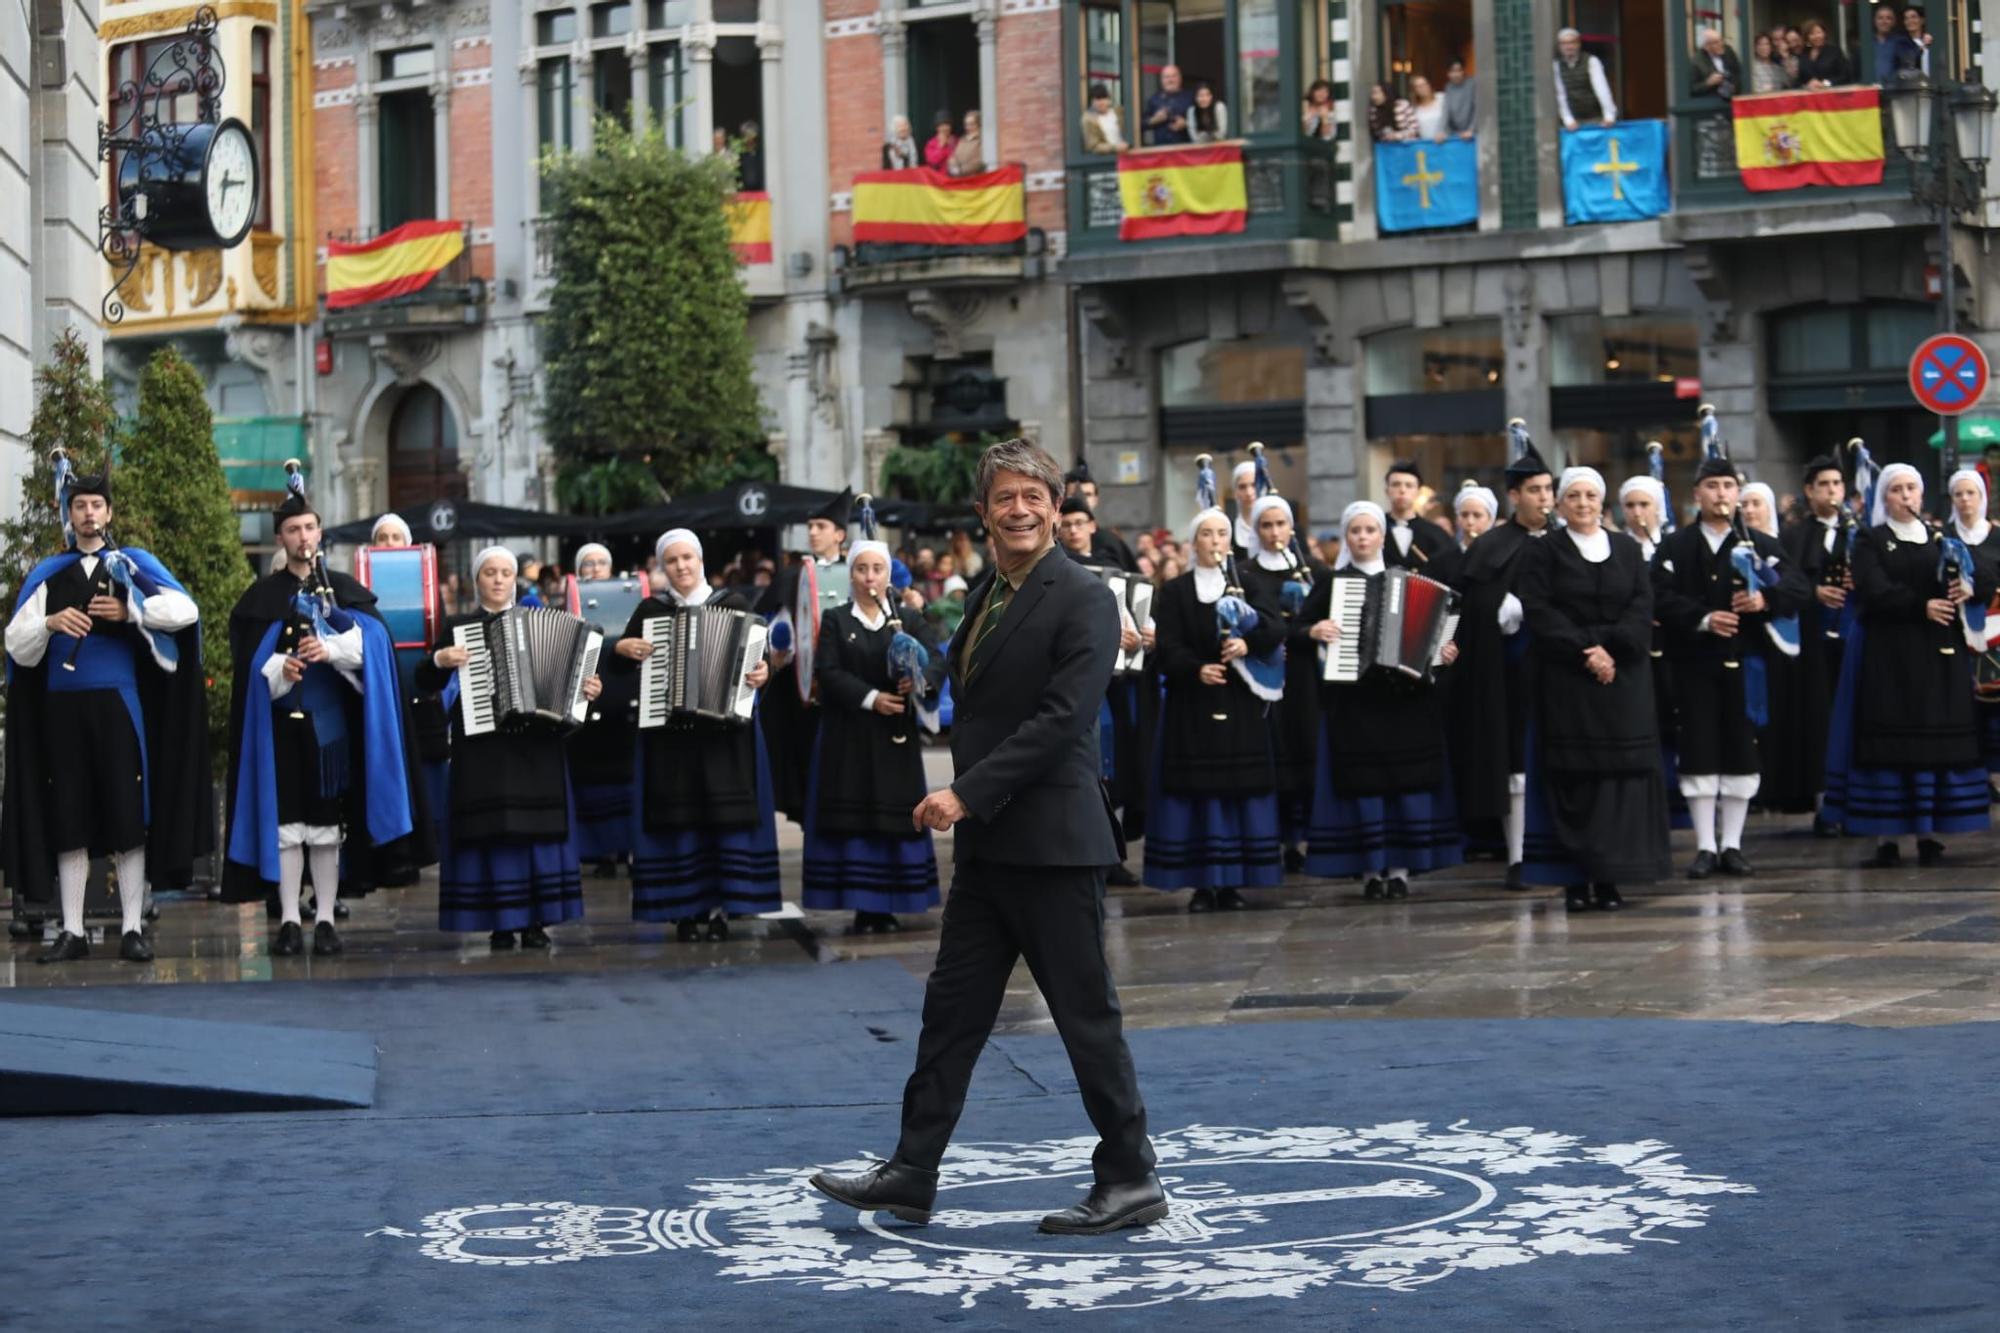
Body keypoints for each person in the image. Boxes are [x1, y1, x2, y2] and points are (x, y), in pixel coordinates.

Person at [810, 438, 1164, 1239]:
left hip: (1054, 842)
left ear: (1054, 506)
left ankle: (1132, 1175)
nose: (1020, 509)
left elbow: (1059, 721)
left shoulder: (1083, 596)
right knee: (951, 1013)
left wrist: (964, 793)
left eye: (1033, 496)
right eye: (1005, 497)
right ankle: (911, 1171)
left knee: (1084, 1016)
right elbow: (985, 694)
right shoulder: (985, 592)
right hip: (991, 850)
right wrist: (928, 673)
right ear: (984, 512)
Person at [2, 469, 207, 964]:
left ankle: (132, 927)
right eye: (80, 506)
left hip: (120, 706)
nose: (89, 513)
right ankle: (71, 931)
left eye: (97, 505)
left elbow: (185, 611)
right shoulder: (49, 574)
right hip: (62, 709)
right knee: (68, 814)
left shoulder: (130, 565)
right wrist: (49, 623)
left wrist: (130, 610)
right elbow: (16, 644)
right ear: (69, 515)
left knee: (126, 813)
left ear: (109, 513)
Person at [221, 471, 429, 955]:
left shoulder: (344, 590)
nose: (302, 537)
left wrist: (332, 650)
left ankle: (326, 920)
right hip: (278, 729)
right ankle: (290, 919)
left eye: (310, 528)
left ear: (320, 533)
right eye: (293, 530)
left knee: (326, 828)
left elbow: (373, 648)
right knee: (286, 826)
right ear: (281, 538)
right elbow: (249, 669)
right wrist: (280, 668)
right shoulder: (260, 600)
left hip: (332, 733)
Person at [419, 548, 600, 949]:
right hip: (483, 747)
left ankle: (536, 922)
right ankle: (501, 921)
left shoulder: (544, 622)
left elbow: (573, 691)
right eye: (489, 572)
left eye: (505, 573)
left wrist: (588, 691)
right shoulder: (460, 627)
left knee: (538, 833)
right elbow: (423, 681)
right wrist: (439, 659)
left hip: (537, 746)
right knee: (494, 833)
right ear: (476, 579)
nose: (499, 580)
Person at [1515, 467, 1672, 911]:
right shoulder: (1544, 552)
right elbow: (1540, 610)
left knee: (1619, 782)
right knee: (1577, 780)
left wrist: (1611, 651)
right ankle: (1575, 881)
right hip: (1569, 680)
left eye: (1591, 496)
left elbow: (1642, 605)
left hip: (1623, 681)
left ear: (1602, 503)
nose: (1583, 503)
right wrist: (1588, 649)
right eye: (1574, 496)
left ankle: (1611, 878)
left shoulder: (1626, 549)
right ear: (1560, 504)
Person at [615, 530, 779, 941]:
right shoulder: (650, 611)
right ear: (662, 567)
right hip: (671, 736)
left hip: (724, 735)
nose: (682, 566)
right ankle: (685, 911)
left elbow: (760, 663)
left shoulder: (735, 604)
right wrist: (620, 650)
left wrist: (764, 673)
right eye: (672, 561)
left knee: (721, 821)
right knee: (679, 822)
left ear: (700, 559)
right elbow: (621, 668)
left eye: (687, 557)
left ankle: (724, 908)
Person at [1825, 464, 1990, 866]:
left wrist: (1967, 585)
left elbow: (1983, 574)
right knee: (1891, 743)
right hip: (1890, 657)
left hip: (1938, 656)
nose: (1906, 496)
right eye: (1897, 490)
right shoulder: (1870, 538)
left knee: (1934, 741)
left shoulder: (1940, 537)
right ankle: (1888, 837)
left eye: (1912, 489)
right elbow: (1873, 587)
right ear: (1885, 497)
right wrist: (1921, 606)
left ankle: (1929, 832)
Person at [1651, 457, 1807, 879]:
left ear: (1738, 494)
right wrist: (1702, 618)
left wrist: (1765, 600)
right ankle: (1704, 847)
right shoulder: (1675, 548)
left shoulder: (1760, 546)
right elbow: (1656, 595)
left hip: (1747, 664)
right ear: (1696, 493)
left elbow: (1797, 588)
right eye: (1712, 486)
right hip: (1694, 664)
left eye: (1728, 486)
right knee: (1699, 747)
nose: (1721, 494)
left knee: (1741, 748)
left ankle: (1733, 845)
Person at [1302, 501, 1462, 899]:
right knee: (1365, 784)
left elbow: (1435, 633)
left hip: (1404, 700)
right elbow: (1298, 627)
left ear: (1381, 536)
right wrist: (1313, 631)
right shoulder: (1332, 583)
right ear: (1346, 537)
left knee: (1405, 782)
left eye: (1369, 530)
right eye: (1354, 531)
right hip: (1355, 700)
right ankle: (1371, 870)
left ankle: (1402, 870)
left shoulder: (1408, 579)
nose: (1362, 538)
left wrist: (1442, 651)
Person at [1144, 505, 1286, 908]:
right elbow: (1167, 646)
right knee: (1197, 794)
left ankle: (1232, 884)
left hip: (1240, 704)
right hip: (1192, 707)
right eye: (1206, 534)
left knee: (1237, 792)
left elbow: (1275, 628)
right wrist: (1196, 668)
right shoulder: (1175, 590)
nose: (1215, 542)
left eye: (1221, 534)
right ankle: (1203, 885)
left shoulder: (1249, 585)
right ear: (1195, 542)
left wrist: (1248, 641)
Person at [803, 533, 943, 935]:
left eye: (877, 569)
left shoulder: (908, 619)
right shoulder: (836, 619)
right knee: (857, 818)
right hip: (850, 737)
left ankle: (895, 900)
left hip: (895, 739)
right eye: (861, 569)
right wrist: (870, 698)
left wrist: (916, 682)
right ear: (851, 575)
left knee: (896, 816)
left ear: (888, 575)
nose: (869, 577)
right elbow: (828, 672)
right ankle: (864, 905)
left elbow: (936, 659)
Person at [1449, 429, 1555, 888]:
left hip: (1560, 673)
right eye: (1535, 491)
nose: (1544, 499)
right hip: (1509, 674)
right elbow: (1469, 605)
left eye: (1549, 490)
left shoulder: (1568, 540)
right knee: (1515, 764)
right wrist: (1498, 614)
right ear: (1514, 496)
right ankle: (1518, 855)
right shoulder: (1490, 547)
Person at [1057, 497, 1155, 887]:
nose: (1074, 529)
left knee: (1113, 766)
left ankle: (1112, 853)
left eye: (1081, 522)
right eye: (1068, 523)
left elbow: (1142, 620)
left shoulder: (1117, 570)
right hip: (1077, 683)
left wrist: (1143, 637)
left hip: (1116, 685)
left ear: (1093, 526)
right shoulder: (1055, 571)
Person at [1237, 493, 1327, 874]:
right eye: (1266, 525)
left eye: (1281, 524)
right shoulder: (1246, 574)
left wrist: (1305, 633)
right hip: (1266, 676)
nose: (1275, 532)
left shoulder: (1314, 572)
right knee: (1274, 753)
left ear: (1292, 528)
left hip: (1307, 676)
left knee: (1307, 749)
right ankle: (1273, 838)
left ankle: (1305, 838)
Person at [757, 489, 852, 824]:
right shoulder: (792, 575)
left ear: (839, 534)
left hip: (850, 693)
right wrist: (776, 653)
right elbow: (769, 627)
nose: (812, 532)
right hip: (803, 697)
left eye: (821, 526)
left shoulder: (858, 573)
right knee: (809, 775)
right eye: (810, 526)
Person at [1770, 455, 1854, 828]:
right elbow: (1783, 582)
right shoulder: (1794, 535)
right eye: (1824, 484)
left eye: (1837, 483)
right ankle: (1825, 804)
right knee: (1820, 721)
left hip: (1853, 641)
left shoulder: (1860, 532)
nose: (1832, 491)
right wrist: (1814, 592)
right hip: (1813, 645)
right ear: (1809, 490)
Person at [566, 542, 639, 874]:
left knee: (626, 780)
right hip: (587, 713)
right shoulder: (566, 605)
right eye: (587, 564)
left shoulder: (632, 601)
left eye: (600, 563)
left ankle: (628, 848)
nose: (594, 569)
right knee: (591, 783)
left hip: (625, 708)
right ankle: (601, 853)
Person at [1944, 469, 2000, 786]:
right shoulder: (1944, 538)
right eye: (1958, 494)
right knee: (1964, 703)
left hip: (1996, 631)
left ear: (1982, 497)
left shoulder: (1997, 536)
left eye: (1971, 493)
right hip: (1956, 631)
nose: (1965, 500)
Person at [1383, 458, 1457, 584]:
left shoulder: (1437, 535)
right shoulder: (1374, 530)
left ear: (1418, 492)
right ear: (1387, 491)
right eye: (1396, 484)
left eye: (1409, 485)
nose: (1402, 490)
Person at [1065, 461, 1138, 571]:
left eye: (1088, 495)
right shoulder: (1054, 545)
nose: (1082, 500)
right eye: (1073, 494)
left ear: (1096, 499)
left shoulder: (1110, 541)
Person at [1554, 27, 1617, 131]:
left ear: (1578, 44)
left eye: (1572, 42)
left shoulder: (1591, 61)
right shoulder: (1557, 66)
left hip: (1596, 118)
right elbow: (1560, 95)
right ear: (1560, 46)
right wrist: (1568, 119)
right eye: (1564, 43)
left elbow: (1602, 89)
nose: (1568, 46)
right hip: (1573, 122)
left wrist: (1609, 115)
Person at [1143, 64, 1193, 145]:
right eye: (1166, 77)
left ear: (1180, 78)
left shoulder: (1190, 97)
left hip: (1185, 150)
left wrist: (1186, 123)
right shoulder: (1153, 99)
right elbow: (1140, 125)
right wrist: (1154, 120)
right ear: (1161, 80)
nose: (1170, 80)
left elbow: (1203, 122)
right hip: (1161, 152)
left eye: (1174, 76)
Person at [1689, 28, 1742, 101]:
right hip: (1711, 103)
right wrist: (1708, 83)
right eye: (1716, 42)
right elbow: (1692, 89)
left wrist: (1734, 85)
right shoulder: (1696, 62)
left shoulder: (1728, 51)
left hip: (1733, 100)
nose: (1721, 44)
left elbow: (1738, 72)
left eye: (1721, 40)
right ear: (1706, 46)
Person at [1797, 20, 1852, 89]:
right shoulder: (1804, 54)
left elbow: (1845, 76)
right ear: (1807, 37)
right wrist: (1807, 85)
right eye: (1812, 34)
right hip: (1810, 95)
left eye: (1819, 32)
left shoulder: (1834, 51)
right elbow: (1799, 79)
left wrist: (1825, 83)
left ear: (1824, 33)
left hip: (1832, 94)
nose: (1816, 36)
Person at [1081, 83, 1127, 154]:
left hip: (1127, 154)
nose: (1101, 102)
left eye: (1103, 98)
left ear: (1109, 99)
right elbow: (1094, 146)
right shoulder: (1089, 120)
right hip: (1109, 157)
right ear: (1092, 102)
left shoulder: (1119, 112)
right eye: (1097, 99)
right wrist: (1114, 148)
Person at [1230, 459, 1261, 558]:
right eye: (1242, 487)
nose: (1249, 493)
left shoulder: (1283, 528)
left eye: (1254, 485)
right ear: (1235, 492)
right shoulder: (1228, 530)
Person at [1455, 482, 1498, 547]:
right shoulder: (1447, 556)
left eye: (1477, 515)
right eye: (1464, 515)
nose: (1470, 522)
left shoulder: (1501, 554)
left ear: (1490, 520)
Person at [1444, 60, 1477, 138]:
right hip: (1456, 134)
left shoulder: (1472, 84)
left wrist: (1471, 130)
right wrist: (1442, 131)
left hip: (1473, 133)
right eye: (1453, 71)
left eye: (1459, 70)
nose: (1456, 74)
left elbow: (1478, 108)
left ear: (1463, 71)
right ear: (1448, 74)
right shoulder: (1448, 87)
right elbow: (1446, 110)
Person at [1410, 75, 1447, 141]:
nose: (1422, 88)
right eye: (1418, 87)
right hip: (1427, 146)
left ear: (1429, 85)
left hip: (1446, 143)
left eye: (1424, 84)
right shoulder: (1414, 108)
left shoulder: (1442, 98)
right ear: (1415, 90)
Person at [948, 109, 983, 177]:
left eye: (971, 124)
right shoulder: (962, 139)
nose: (968, 127)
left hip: (975, 180)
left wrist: (960, 170)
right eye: (966, 124)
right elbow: (954, 156)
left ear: (979, 124)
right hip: (960, 180)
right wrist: (952, 165)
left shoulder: (982, 140)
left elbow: (979, 162)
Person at [1901, 6, 1934, 76]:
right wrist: (1923, 46)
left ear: (1922, 20)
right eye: (1906, 18)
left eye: (1913, 17)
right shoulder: (1902, 43)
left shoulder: (1931, 40)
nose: (1910, 21)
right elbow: (1908, 61)